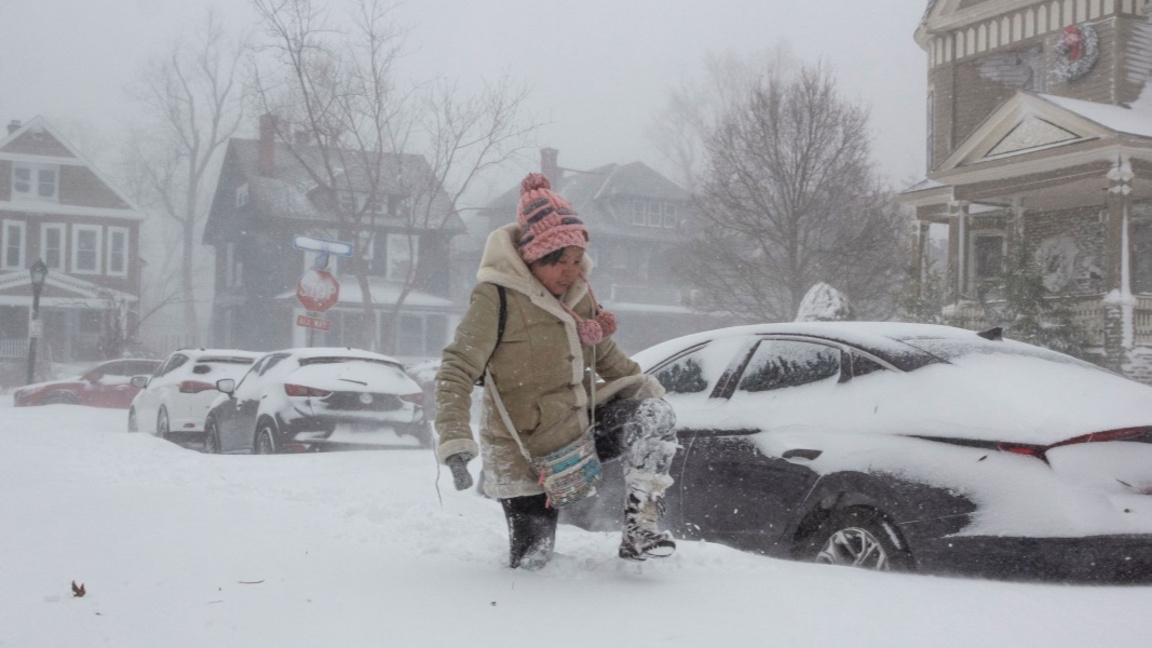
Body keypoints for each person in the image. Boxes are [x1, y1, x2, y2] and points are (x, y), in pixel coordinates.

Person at [434, 172, 679, 570]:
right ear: (533, 257)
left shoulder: (578, 299)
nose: (570, 271)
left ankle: (642, 528)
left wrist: (658, 398)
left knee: (653, 413)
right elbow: (456, 369)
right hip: (524, 451)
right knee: (534, 563)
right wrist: (456, 441)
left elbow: (612, 361)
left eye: (575, 260)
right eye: (558, 262)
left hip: (579, 432)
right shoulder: (496, 297)